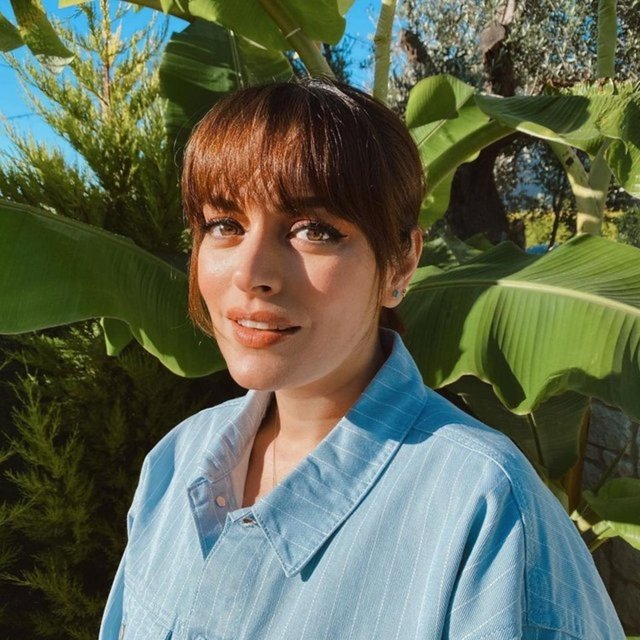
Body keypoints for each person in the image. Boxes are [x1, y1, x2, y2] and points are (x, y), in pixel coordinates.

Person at [100, 78, 624, 640]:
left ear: (400, 262)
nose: (251, 274)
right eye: (224, 225)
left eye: (313, 231)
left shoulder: (487, 513)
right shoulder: (175, 464)